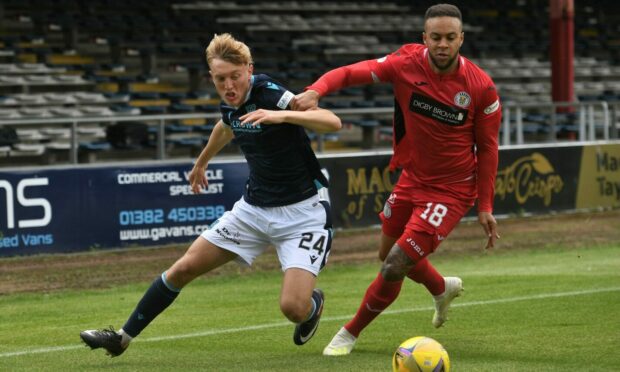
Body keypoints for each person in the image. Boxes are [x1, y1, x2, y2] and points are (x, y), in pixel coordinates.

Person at [80, 33, 342, 357]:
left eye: (235, 76)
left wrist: (280, 115)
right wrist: (201, 162)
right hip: (254, 210)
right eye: (221, 79)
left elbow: (332, 122)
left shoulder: (270, 93)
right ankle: (120, 339)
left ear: (249, 69)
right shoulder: (229, 102)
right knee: (183, 268)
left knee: (293, 308)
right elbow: (226, 125)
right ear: (211, 78)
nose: (229, 85)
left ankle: (313, 304)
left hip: (304, 213)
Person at [293, 3, 501, 356]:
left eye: (450, 37)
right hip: (412, 180)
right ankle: (440, 287)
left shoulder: (481, 88)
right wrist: (317, 90)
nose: (442, 44)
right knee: (387, 253)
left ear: (461, 39)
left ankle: (349, 333)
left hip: (451, 191)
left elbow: (489, 148)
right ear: (425, 38)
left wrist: (484, 205)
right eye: (435, 37)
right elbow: (350, 73)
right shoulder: (405, 64)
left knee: (395, 264)